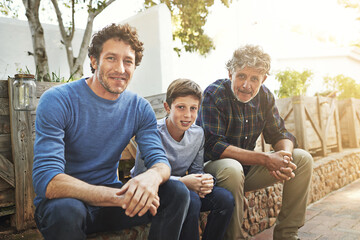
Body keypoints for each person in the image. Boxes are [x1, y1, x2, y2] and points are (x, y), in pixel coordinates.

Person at [32, 23, 190, 240]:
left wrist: (152, 177)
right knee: (65, 211)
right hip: (67, 204)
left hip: (112, 204)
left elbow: (161, 163)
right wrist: (118, 197)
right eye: (111, 58)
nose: (121, 69)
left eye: (128, 61)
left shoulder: (139, 108)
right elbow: (47, 180)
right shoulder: (58, 100)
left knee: (177, 193)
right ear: (94, 61)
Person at [196, 44, 314, 240]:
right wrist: (265, 159)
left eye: (254, 79)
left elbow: (280, 134)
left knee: (302, 159)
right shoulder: (214, 93)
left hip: (248, 169)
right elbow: (214, 145)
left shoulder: (265, 96)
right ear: (230, 73)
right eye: (241, 76)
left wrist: (283, 156)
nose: (246, 85)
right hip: (214, 170)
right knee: (232, 168)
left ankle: (287, 235)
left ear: (263, 79)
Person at [132, 78, 234, 240]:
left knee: (225, 199)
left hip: (183, 187)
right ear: (167, 107)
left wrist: (205, 180)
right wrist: (183, 182)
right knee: (191, 199)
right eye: (181, 107)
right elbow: (140, 174)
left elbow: (196, 171)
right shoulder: (153, 132)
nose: (187, 115)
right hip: (153, 190)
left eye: (193, 108)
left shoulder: (198, 134)